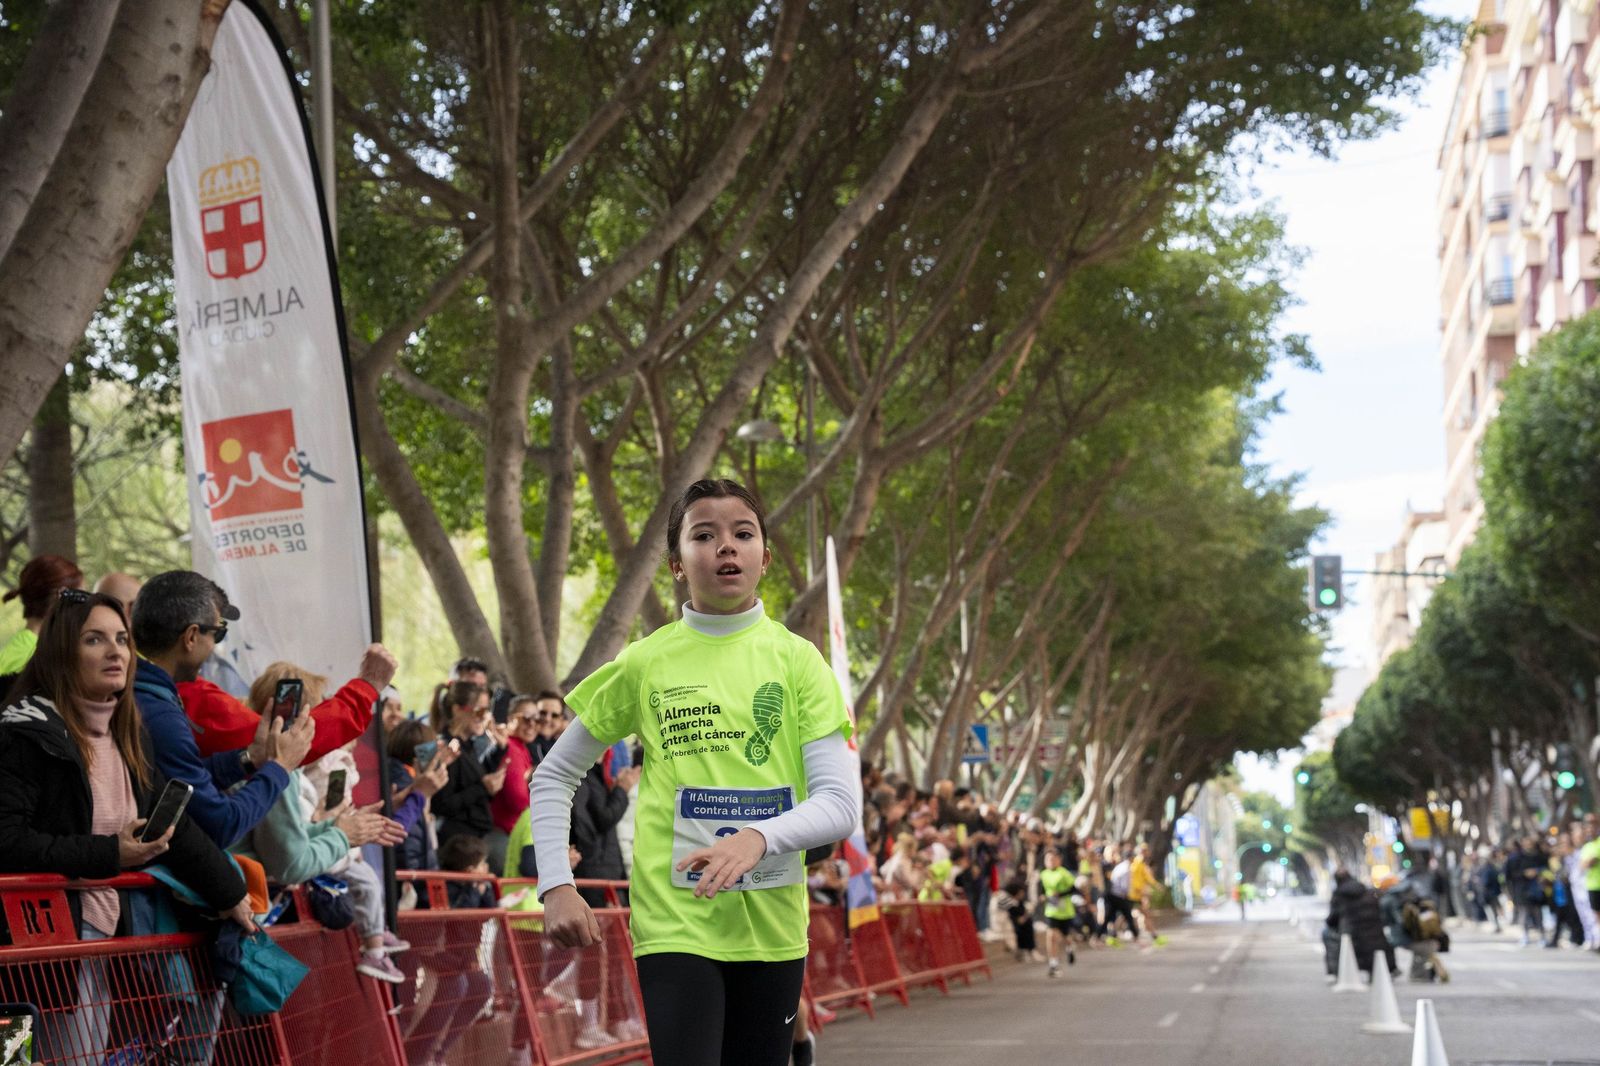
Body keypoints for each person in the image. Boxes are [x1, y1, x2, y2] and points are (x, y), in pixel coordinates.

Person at [530, 478, 859, 1066]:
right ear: (678, 563)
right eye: (704, 535)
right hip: (674, 925)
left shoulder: (799, 662)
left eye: (742, 533)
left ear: (765, 555)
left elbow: (840, 804)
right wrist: (556, 885)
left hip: (772, 927)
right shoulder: (644, 661)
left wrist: (759, 839)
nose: (725, 547)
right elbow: (553, 776)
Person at [0, 589, 252, 1063]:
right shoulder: (23, 733)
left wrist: (230, 893)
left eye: (121, 638)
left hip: (88, 947)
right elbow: (7, 841)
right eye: (95, 640)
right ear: (61, 651)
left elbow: (170, 825)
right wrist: (109, 854)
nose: (115, 651)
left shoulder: (126, 733)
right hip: (22, 957)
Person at [129, 569, 397, 848]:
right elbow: (231, 824)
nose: (214, 645)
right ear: (191, 637)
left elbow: (188, 780)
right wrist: (279, 766)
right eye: (218, 632)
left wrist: (247, 759)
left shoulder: (137, 694)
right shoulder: (176, 705)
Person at [234, 663, 409, 982]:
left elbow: (292, 838)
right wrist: (342, 834)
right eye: (317, 715)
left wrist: (342, 829)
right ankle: (375, 947)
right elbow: (291, 862)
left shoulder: (267, 762)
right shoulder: (278, 770)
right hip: (241, 918)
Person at [0, 554, 83, 675]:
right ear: (62, 596)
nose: (83, 608)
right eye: (79, 599)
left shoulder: (12, 650)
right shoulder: (43, 658)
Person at [1037, 848, 1077, 977]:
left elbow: (1073, 889)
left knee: (1066, 937)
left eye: (1053, 859)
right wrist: (1042, 896)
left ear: (1059, 860)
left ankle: (1070, 948)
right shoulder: (1043, 874)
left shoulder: (1064, 874)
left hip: (1065, 911)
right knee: (1051, 937)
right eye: (1048, 859)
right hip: (1051, 911)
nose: (1050, 862)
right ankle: (1053, 964)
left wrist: (1060, 894)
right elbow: (1041, 890)